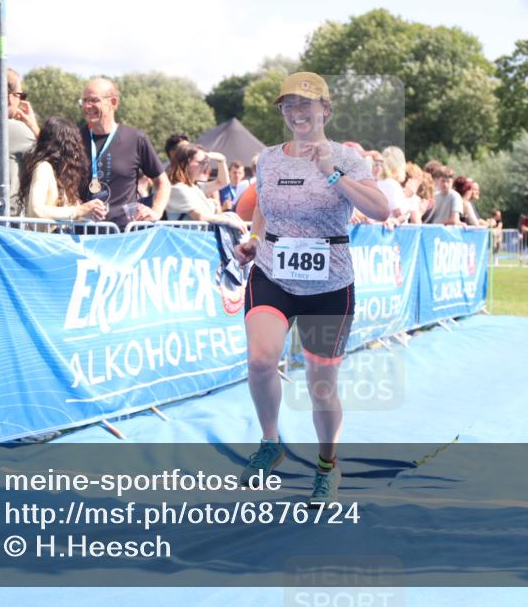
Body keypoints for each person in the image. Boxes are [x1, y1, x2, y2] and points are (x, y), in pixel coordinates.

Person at [233, 72, 387, 505]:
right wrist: (255, 239)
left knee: (322, 383)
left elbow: (379, 209)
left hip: (329, 281)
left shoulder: (349, 159)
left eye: (306, 105)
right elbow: (264, 203)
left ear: (325, 109)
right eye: (289, 106)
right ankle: (270, 443)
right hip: (273, 273)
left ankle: (327, 464)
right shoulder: (268, 159)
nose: (297, 113)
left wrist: (333, 174)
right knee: (261, 361)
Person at [79, 77, 170, 229]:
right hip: (82, 235)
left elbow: (163, 182)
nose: (87, 106)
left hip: (124, 238)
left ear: (113, 103)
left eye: (94, 100)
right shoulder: (75, 138)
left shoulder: (135, 139)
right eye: (84, 100)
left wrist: (156, 212)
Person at [16, 117, 106, 224]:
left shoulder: (60, 174)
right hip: (43, 239)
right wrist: (78, 210)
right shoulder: (44, 168)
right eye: (74, 144)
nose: (77, 150)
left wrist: (86, 212)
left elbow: (62, 215)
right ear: (66, 146)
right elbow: (37, 210)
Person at [165, 143, 248, 232]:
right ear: (185, 163)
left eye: (206, 162)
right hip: (186, 242)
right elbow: (201, 216)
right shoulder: (178, 189)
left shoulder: (195, 187)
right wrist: (229, 221)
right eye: (201, 162)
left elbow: (222, 182)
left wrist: (221, 161)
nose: (205, 166)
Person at [6, 68, 39, 209]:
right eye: (21, 95)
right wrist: (33, 125)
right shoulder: (18, 130)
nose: (21, 101)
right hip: (6, 220)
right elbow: (55, 155)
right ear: (10, 97)